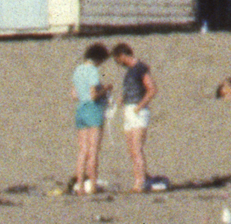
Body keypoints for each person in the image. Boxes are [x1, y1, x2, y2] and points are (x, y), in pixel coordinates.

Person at [112, 41, 161, 192]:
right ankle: (141, 177)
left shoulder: (140, 68)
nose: (118, 63)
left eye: (117, 59)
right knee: (131, 149)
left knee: (137, 147)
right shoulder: (130, 71)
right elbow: (131, 88)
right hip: (128, 109)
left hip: (138, 111)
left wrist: (139, 106)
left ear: (122, 55)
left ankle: (140, 182)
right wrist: (122, 99)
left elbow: (152, 89)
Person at [67, 40, 109, 194]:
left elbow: (73, 94)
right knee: (93, 150)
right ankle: (92, 185)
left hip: (80, 110)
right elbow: (93, 95)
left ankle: (80, 185)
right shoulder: (92, 71)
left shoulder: (78, 70)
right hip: (93, 110)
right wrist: (105, 89)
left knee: (82, 150)